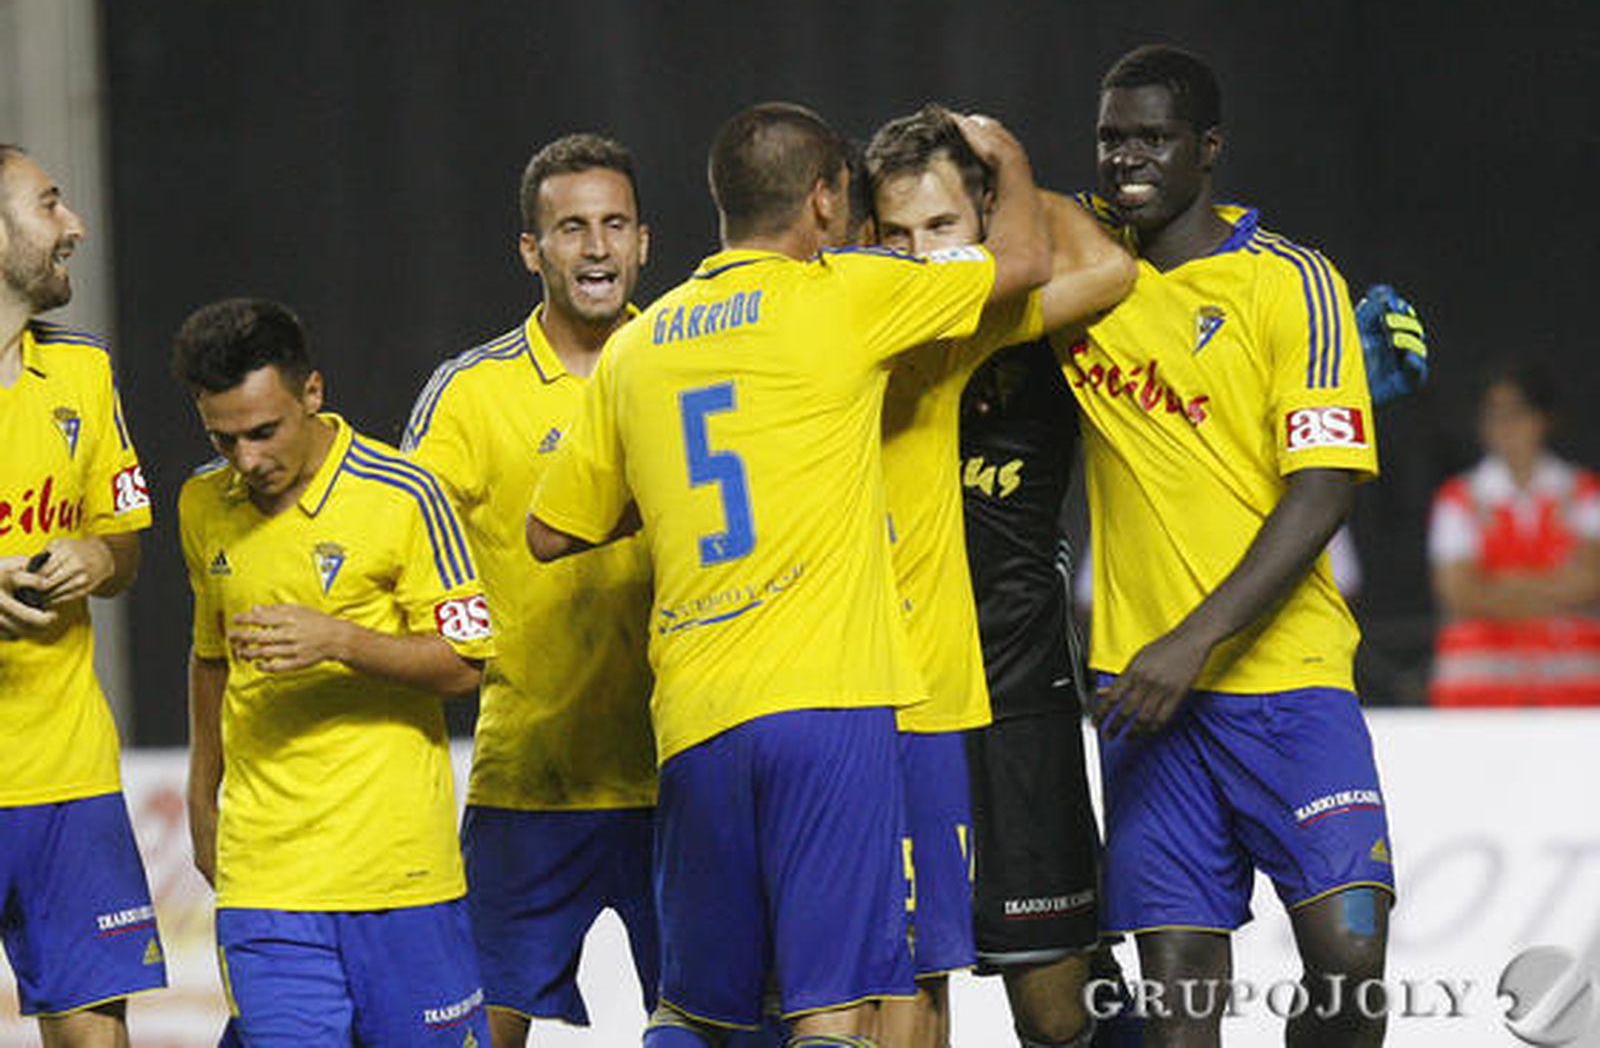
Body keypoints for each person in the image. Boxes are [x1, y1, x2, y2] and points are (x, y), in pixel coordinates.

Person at [527, 101, 1052, 1047]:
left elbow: (551, 533)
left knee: (695, 1005)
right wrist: (1005, 160)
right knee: (832, 1004)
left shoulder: (637, 349)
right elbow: (1023, 263)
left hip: (694, 717)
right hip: (829, 706)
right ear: (822, 201)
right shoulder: (843, 296)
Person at [1064, 46, 1395, 1046]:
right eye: (1112, 137)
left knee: (1350, 959)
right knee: (1176, 1001)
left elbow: (1322, 489)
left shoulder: (1291, 281)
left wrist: (1193, 641)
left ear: (1206, 149)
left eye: (1153, 137)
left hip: (1286, 686)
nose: (1129, 158)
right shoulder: (1084, 282)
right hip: (1143, 699)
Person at [863, 106, 1135, 1048]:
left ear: (986, 215)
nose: (922, 253)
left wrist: (1010, 172)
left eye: (941, 226)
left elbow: (1114, 269)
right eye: (896, 234)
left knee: (1057, 1008)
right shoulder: (871, 330)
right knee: (900, 994)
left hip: (1020, 690)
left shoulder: (1033, 320)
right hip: (892, 692)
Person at [175, 298, 493, 1045]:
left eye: (263, 431)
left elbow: (467, 662)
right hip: (267, 878)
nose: (246, 459)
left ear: (312, 393)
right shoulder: (201, 503)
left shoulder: (405, 495)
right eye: (223, 439)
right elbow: (210, 657)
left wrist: (342, 642)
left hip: (401, 876)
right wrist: (200, 800)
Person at [401, 133, 660, 1046]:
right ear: (531, 250)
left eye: (614, 225)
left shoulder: (690, 367)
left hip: (684, 774)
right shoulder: (471, 394)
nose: (596, 247)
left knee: (714, 1024)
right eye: (571, 228)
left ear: (644, 243)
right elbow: (395, 545)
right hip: (531, 782)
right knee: (479, 1031)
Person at [0, 143, 165, 1047]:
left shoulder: (85, 375)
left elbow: (127, 542)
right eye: (50, 204)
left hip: (71, 780)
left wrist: (95, 561)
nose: (76, 226)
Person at [1428, 362, 1600, 705]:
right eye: (1494, 414)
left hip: (1575, 696)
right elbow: (1459, 593)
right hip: (1478, 698)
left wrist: (1502, 585)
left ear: (1543, 419)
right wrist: (1553, 587)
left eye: (1516, 413)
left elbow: (1592, 582)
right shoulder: (1457, 498)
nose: (1505, 427)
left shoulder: (1584, 492)